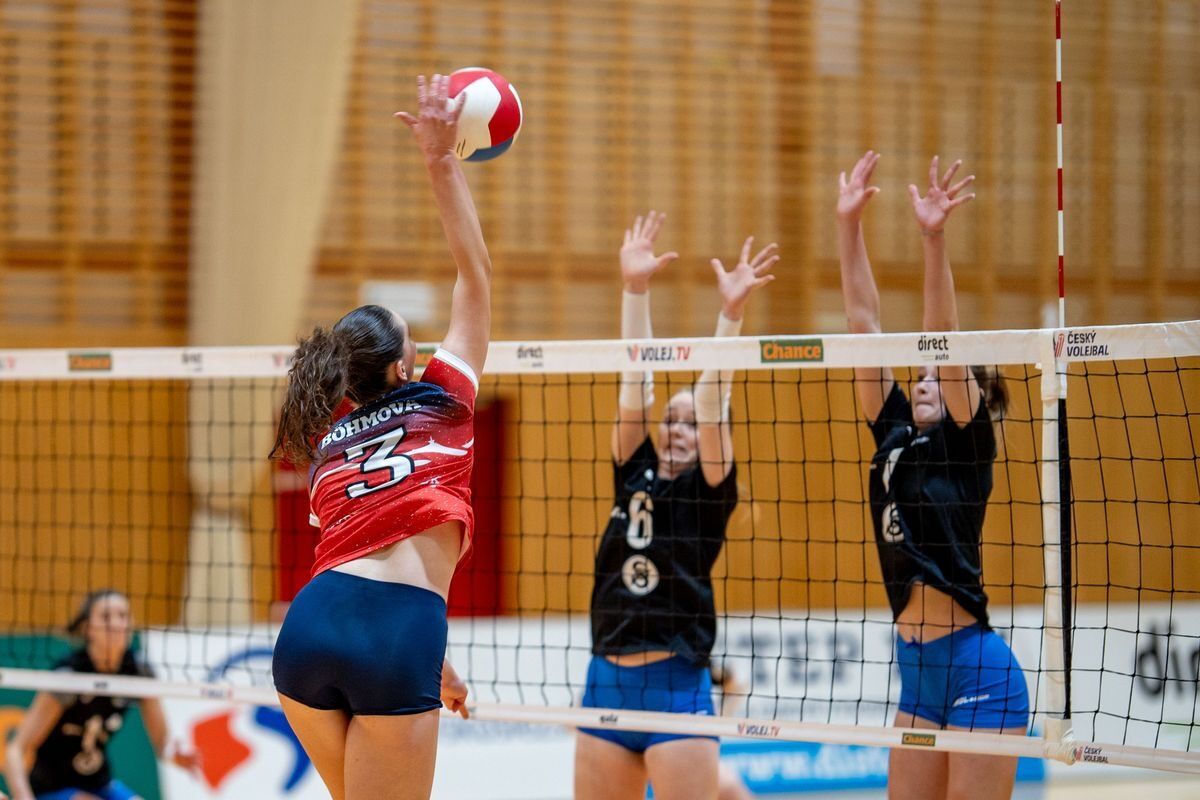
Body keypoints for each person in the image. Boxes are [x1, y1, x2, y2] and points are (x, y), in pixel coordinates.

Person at [269, 74, 487, 800]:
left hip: (310, 631)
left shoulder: (331, 450)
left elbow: (372, 563)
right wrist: (440, 161)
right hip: (397, 633)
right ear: (403, 368)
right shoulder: (443, 400)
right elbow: (475, 278)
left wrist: (438, 669)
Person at [835, 151, 1029, 799]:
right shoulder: (892, 431)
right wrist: (848, 225)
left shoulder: (967, 444)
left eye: (935, 375)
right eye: (916, 372)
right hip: (917, 677)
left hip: (979, 671)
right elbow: (863, 324)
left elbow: (940, 334)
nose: (922, 380)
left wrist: (932, 237)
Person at [574, 210, 777, 800]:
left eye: (692, 423)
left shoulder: (710, 489)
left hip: (676, 687)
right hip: (605, 681)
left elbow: (713, 402)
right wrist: (634, 290)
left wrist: (730, 316)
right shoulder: (632, 468)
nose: (681, 428)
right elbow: (635, 384)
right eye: (672, 419)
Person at [4, 590, 199, 800]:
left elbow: (163, 742)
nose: (116, 624)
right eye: (106, 617)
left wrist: (175, 754)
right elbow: (15, 750)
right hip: (52, 788)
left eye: (123, 616)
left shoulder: (138, 672)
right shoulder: (69, 677)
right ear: (88, 628)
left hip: (98, 784)